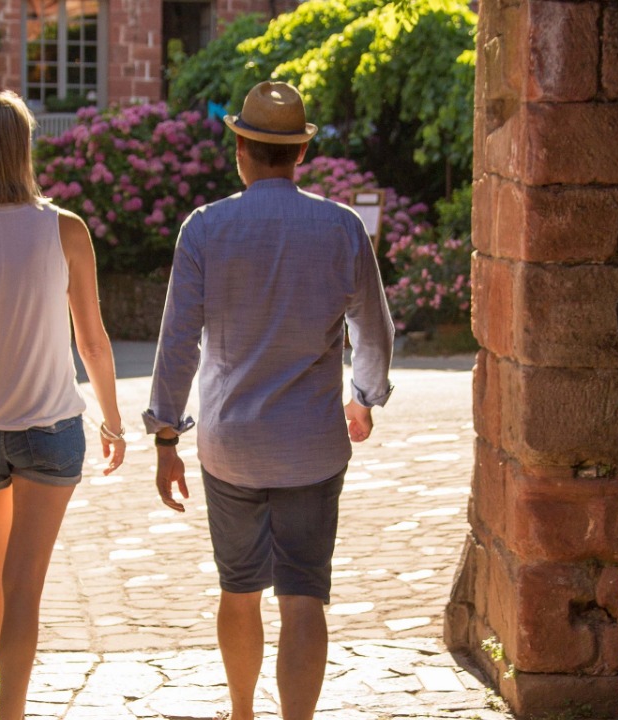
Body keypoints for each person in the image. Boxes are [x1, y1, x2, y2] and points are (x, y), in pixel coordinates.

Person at [144, 81, 395, 720]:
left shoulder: (206, 228)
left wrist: (166, 435)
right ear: (300, 154)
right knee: (304, 597)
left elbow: (178, 340)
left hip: (229, 444)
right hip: (311, 443)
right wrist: (364, 397)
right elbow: (375, 326)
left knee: (239, 591)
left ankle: (241, 713)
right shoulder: (341, 228)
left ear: (240, 150)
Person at [0, 90, 127, 720]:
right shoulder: (64, 229)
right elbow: (92, 338)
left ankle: (7, 697)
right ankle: (11, 708)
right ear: (23, 151)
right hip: (50, 429)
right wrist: (113, 420)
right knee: (24, 581)